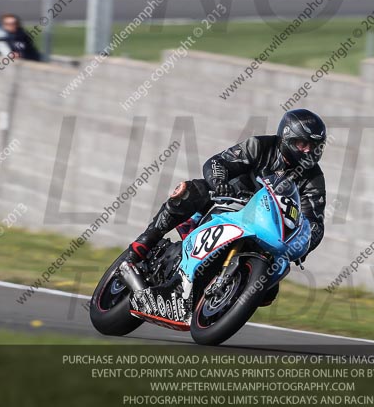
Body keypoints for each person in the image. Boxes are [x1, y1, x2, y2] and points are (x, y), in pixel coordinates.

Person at [127, 109, 328, 305]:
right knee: (190, 190)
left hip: (266, 228)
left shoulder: (314, 179)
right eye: (303, 144)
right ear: (287, 137)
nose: (308, 151)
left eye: (314, 146)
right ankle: (145, 242)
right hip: (229, 202)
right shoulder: (260, 146)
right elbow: (219, 162)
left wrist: (303, 244)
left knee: (268, 292)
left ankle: (220, 298)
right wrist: (220, 181)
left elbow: (314, 222)